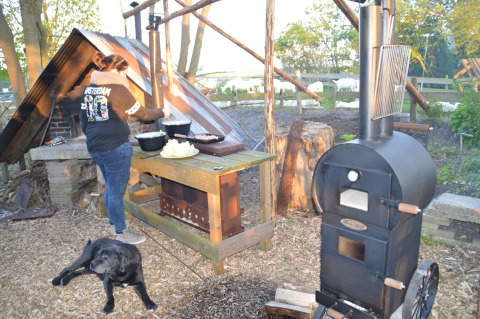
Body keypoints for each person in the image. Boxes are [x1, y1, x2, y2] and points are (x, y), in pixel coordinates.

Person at [80, 52, 169, 244]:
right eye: (125, 73)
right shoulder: (117, 89)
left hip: (95, 145)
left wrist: (96, 137)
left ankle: (114, 224)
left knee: (111, 188)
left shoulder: (91, 89)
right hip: (115, 146)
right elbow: (142, 113)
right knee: (116, 190)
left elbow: (84, 120)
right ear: (118, 70)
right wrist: (163, 112)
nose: (125, 77)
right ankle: (122, 232)